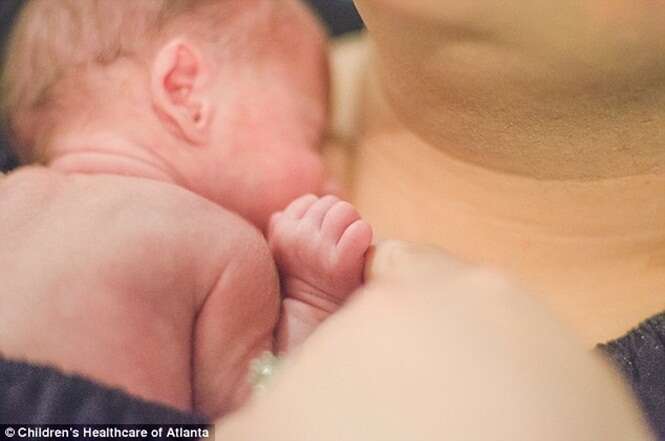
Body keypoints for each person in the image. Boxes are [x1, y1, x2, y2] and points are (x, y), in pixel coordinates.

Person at [0, 0, 372, 419]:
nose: (330, 181)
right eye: (311, 134)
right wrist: (313, 299)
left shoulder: (11, 196)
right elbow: (263, 417)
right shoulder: (220, 245)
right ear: (185, 91)